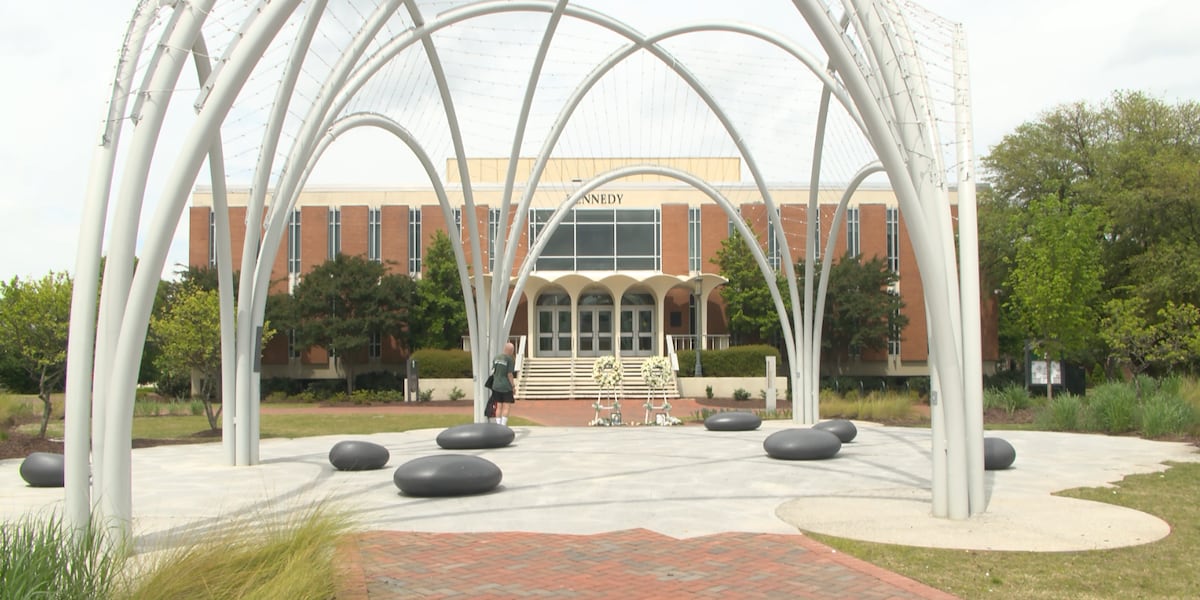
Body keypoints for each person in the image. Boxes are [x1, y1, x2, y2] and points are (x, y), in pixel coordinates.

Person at [489, 342, 517, 425]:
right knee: (506, 406)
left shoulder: (496, 357)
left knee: (498, 406)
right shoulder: (509, 359)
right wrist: (513, 386)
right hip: (506, 386)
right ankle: (503, 425)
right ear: (511, 350)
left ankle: (498, 424)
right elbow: (510, 374)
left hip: (496, 385)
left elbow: (493, 370)